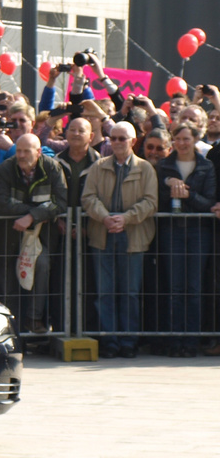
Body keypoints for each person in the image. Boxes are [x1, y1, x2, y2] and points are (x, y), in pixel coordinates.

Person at [80, 121, 157, 358]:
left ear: (133, 142)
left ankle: (128, 340)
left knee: (129, 292)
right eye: (112, 138)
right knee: (105, 291)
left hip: (133, 237)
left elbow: (151, 201)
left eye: (121, 139)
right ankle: (109, 340)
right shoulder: (98, 167)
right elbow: (88, 197)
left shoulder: (145, 169)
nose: (116, 143)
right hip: (103, 236)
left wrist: (126, 218)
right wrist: (105, 218)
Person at [0, 134, 68, 335]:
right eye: (18, 151)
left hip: (41, 237)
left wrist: (31, 216)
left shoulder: (52, 168)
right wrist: (35, 211)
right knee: (8, 283)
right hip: (8, 236)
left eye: (27, 151)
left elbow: (60, 203)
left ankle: (33, 320)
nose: (22, 155)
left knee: (42, 266)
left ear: (39, 152)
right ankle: (11, 329)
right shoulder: (5, 169)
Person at [154, 124, 215, 356]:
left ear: (195, 139)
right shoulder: (165, 165)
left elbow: (209, 201)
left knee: (194, 288)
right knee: (175, 288)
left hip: (199, 232)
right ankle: (174, 340)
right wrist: (168, 183)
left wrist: (189, 195)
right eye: (178, 138)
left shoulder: (206, 166)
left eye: (186, 138)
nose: (182, 143)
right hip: (173, 232)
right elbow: (159, 199)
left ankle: (191, 342)